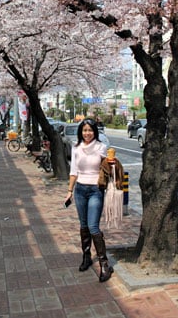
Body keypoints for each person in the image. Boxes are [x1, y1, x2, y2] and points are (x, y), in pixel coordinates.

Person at [64, 118, 113, 282]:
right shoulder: (76, 147)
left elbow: (107, 168)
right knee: (84, 226)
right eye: (84, 130)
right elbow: (73, 171)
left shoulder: (101, 147)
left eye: (90, 130)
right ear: (81, 132)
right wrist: (70, 191)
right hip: (80, 190)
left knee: (93, 227)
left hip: (95, 190)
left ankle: (104, 264)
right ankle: (86, 257)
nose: (87, 133)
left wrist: (111, 164)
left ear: (95, 131)